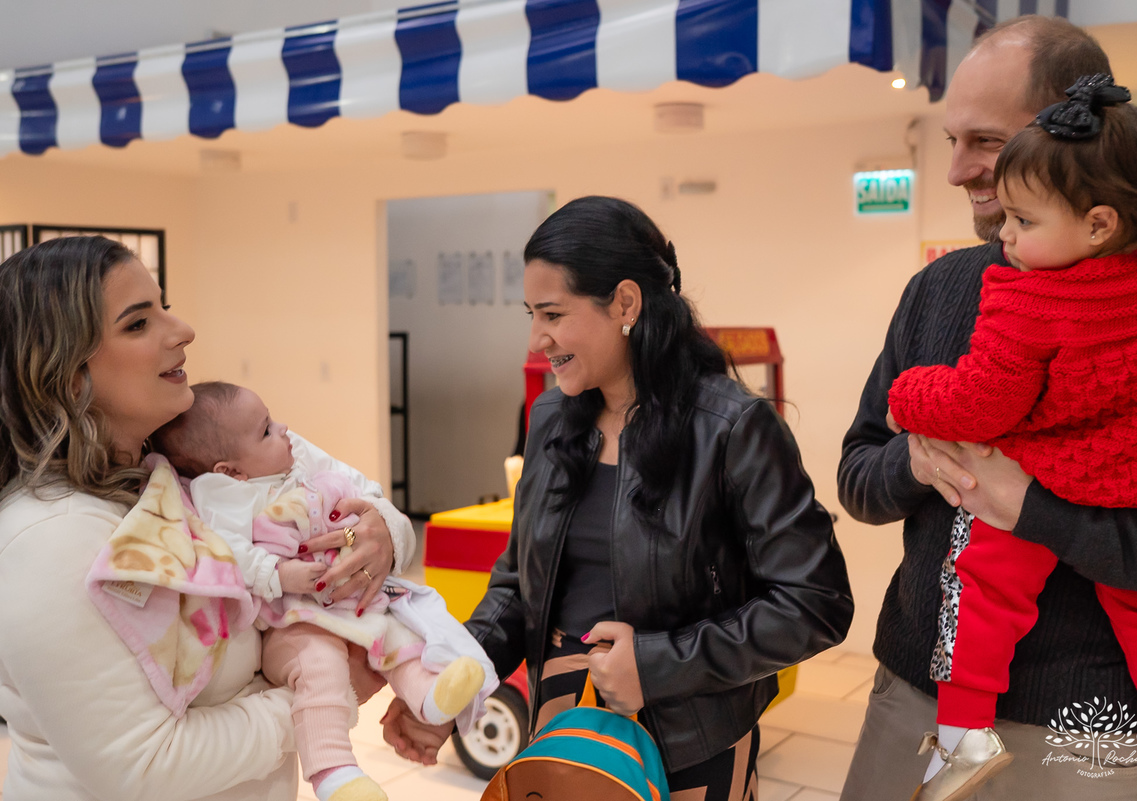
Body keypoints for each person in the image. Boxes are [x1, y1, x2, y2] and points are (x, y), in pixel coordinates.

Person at [380, 195, 855, 798]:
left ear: (625, 303)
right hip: (563, 723)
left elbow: (816, 603)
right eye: (530, 314)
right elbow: (519, 586)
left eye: (551, 314)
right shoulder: (552, 417)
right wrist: (452, 686)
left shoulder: (731, 427)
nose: (535, 339)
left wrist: (657, 663)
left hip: (690, 736)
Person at [839, 15, 1137, 801]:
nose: (959, 170)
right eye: (951, 142)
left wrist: (1032, 509)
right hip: (913, 698)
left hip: (1087, 730)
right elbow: (858, 472)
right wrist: (918, 457)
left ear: (1075, 140)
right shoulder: (937, 290)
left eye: (986, 142)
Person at [0, 235, 402, 801]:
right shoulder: (46, 539)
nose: (182, 329)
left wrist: (385, 531)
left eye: (164, 305)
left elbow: (355, 494)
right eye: (138, 323)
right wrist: (326, 696)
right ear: (68, 378)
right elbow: (143, 766)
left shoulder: (177, 475)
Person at [154, 380, 494, 801]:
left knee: (399, 634)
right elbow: (228, 551)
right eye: (266, 430)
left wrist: (379, 526)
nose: (284, 430)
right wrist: (280, 575)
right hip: (292, 619)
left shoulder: (296, 465)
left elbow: (371, 499)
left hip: (349, 597)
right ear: (230, 471)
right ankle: (334, 771)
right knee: (321, 668)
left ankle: (431, 697)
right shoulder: (222, 495)